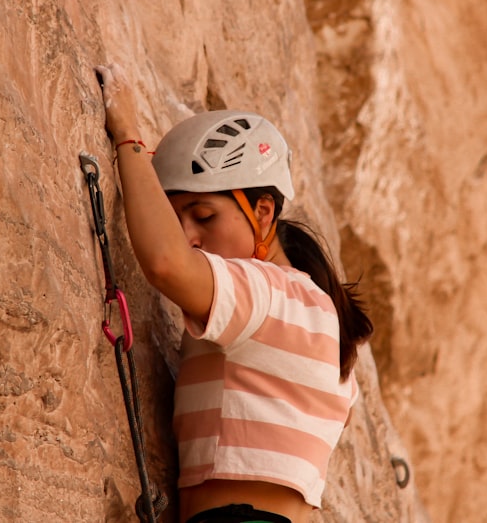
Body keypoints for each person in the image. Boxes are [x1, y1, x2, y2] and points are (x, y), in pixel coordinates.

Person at [97, 64, 373, 523]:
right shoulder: (319, 317)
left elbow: (167, 264)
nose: (189, 236)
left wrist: (127, 135)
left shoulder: (266, 290)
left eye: (203, 216)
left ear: (263, 212)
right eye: (176, 219)